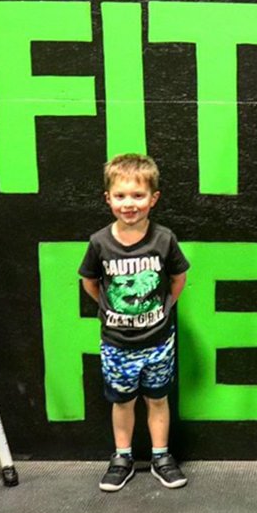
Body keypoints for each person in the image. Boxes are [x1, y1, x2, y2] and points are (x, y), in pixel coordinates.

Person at [79, 153, 190, 492]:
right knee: (122, 401)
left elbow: (178, 277)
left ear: (153, 198)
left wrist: (164, 309)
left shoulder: (164, 239)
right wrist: (110, 310)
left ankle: (161, 457)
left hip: (158, 341)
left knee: (158, 399)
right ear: (108, 198)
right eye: (121, 195)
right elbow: (89, 282)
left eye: (138, 195)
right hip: (117, 344)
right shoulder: (99, 242)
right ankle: (122, 457)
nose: (129, 204)